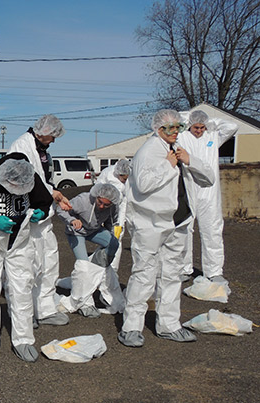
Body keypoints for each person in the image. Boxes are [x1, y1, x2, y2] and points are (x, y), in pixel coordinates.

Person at [118, 109, 215, 347]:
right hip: (150, 223)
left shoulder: (178, 150)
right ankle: (131, 327)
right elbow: (143, 184)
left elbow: (209, 178)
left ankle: (169, 325)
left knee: (173, 276)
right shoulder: (148, 152)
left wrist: (189, 161)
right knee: (144, 275)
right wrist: (168, 166)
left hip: (178, 222)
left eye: (178, 127)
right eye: (169, 128)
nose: (174, 132)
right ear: (158, 129)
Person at [0, 155, 54, 366]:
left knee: (22, 289)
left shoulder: (30, 177)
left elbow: (45, 201)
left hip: (20, 242)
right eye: (13, 185)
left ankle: (23, 340)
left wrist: (40, 213)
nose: (17, 189)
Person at [8, 115, 71, 326]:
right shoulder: (21, 146)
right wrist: (46, 195)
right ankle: (23, 312)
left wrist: (54, 194)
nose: (53, 140)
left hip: (44, 215)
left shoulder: (42, 150)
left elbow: (43, 179)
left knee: (49, 262)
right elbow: (17, 179)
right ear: (42, 131)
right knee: (27, 267)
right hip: (27, 214)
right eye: (52, 136)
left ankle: (44, 310)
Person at [177, 110, 238, 282]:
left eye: (202, 127)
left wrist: (211, 122)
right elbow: (174, 119)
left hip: (209, 191)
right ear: (190, 125)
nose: (199, 130)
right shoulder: (182, 137)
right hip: (188, 188)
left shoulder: (213, 136)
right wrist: (189, 116)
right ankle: (184, 268)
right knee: (184, 229)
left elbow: (233, 126)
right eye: (196, 127)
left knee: (212, 230)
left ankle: (214, 271)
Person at [56, 182, 122, 264]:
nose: (101, 206)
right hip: (76, 232)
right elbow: (60, 210)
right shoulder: (83, 200)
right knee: (83, 263)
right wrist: (72, 220)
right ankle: (86, 270)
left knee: (114, 244)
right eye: (100, 202)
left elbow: (110, 222)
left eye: (106, 205)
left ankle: (99, 267)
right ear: (96, 196)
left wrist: (111, 234)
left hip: (94, 230)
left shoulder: (113, 207)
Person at [95, 159, 131, 271]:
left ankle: (113, 268)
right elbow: (97, 189)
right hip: (105, 208)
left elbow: (124, 201)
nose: (124, 181)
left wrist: (120, 221)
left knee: (117, 237)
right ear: (118, 173)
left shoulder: (129, 180)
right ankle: (99, 263)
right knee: (102, 236)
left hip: (119, 210)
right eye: (123, 178)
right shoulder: (107, 173)